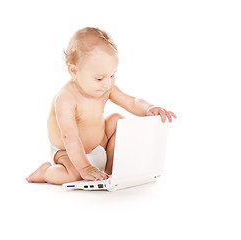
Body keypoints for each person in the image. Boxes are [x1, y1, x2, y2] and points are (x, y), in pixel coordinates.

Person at [26, 27, 177, 185]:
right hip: (67, 152)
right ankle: (45, 172)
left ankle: (110, 171)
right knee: (73, 175)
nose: (108, 83)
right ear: (74, 71)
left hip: (97, 145)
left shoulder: (106, 87)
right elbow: (69, 135)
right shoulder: (66, 98)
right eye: (99, 78)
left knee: (117, 120)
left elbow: (132, 102)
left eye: (112, 75)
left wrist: (149, 108)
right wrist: (84, 167)